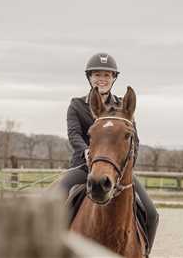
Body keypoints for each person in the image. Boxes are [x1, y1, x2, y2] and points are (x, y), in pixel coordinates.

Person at [57, 53, 159, 254]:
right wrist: (85, 151)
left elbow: (134, 142)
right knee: (54, 199)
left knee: (152, 214)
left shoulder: (124, 107)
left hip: (117, 170)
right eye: (97, 75)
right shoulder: (77, 105)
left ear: (113, 79)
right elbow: (74, 134)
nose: (101, 79)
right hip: (84, 167)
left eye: (107, 75)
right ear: (89, 77)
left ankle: (145, 252)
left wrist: (125, 168)